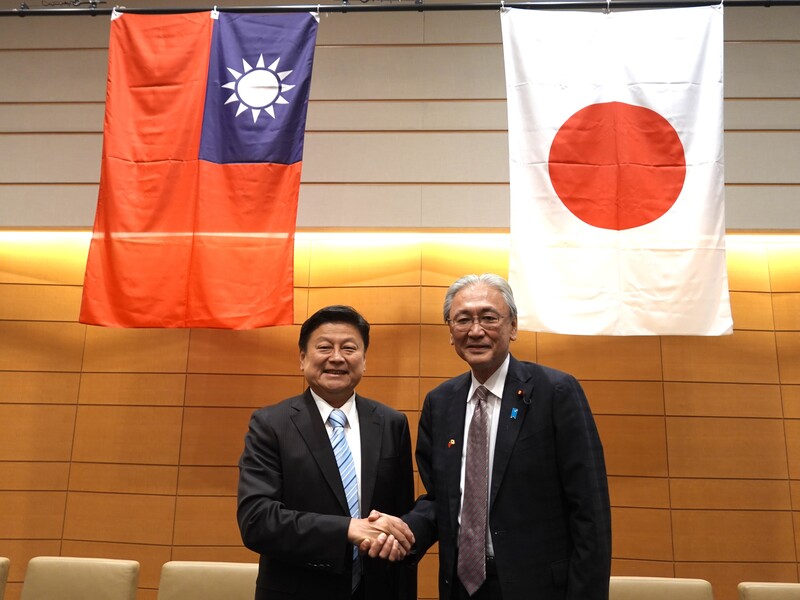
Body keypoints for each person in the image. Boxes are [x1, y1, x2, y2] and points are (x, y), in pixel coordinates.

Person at [372, 273, 611, 600]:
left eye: (488, 318)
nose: (475, 331)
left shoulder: (555, 392)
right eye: (463, 320)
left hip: (538, 587)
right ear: (450, 332)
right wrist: (405, 532)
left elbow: (590, 511)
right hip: (461, 587)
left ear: (512, 326)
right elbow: (442, 499)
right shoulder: (440, 403)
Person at [237, 305, 417, 600]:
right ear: (303, 358)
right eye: (324, 347)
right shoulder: (270, 424)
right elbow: (257, 520)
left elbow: (401, 522)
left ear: (364, 360)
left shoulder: (391, 423)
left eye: (349, 348)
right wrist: (346, 529)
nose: (336, 358)